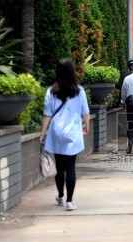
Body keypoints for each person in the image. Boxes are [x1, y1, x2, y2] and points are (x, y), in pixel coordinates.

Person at [39, 58, 91, 211]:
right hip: (73, 132)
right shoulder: (79, 91)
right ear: (72, 72)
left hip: (56, 132)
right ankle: (69, 201)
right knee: (70, 167)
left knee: (60, 167)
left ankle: (60, 195)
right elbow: (85, 112)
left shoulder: (51, 91)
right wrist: (86, 125)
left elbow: (47, 114)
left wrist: (43, 133)